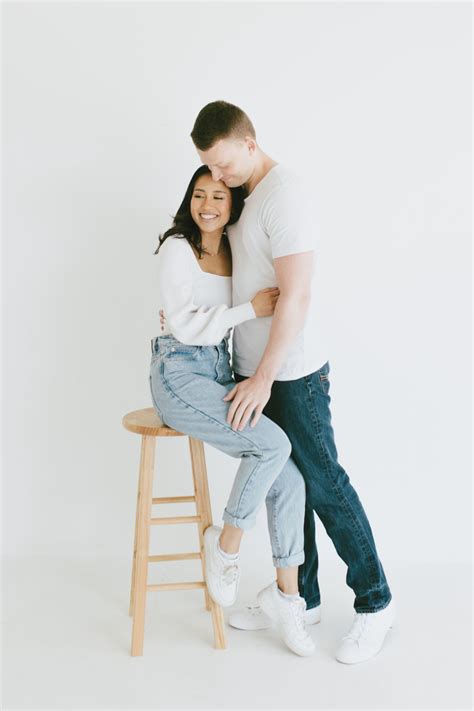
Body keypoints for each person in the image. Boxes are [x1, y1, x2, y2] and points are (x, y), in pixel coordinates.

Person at [183, 100, 396, 664]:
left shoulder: (287, 193)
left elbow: (297, 294)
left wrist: (265, 378)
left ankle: (376, 602)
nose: (219, 178)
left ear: (249, 143)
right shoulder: (251, 196)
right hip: (256, 369)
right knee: (290, 492)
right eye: (211, 168)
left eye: (225, 165)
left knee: (326, 487)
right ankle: (299, 599)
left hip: (292, 373)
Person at [149, 163, 316, 657]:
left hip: (217, 369)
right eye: (200, 195)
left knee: (289, 476)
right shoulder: (177, 249)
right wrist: (250, 311)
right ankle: (225, 548)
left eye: (219, 198)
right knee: (274, 444)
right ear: (189, 199)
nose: (207, 205)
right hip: (177, 374)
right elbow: (182, 326)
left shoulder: (232, 247)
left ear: (232, 207)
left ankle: (288, 596)